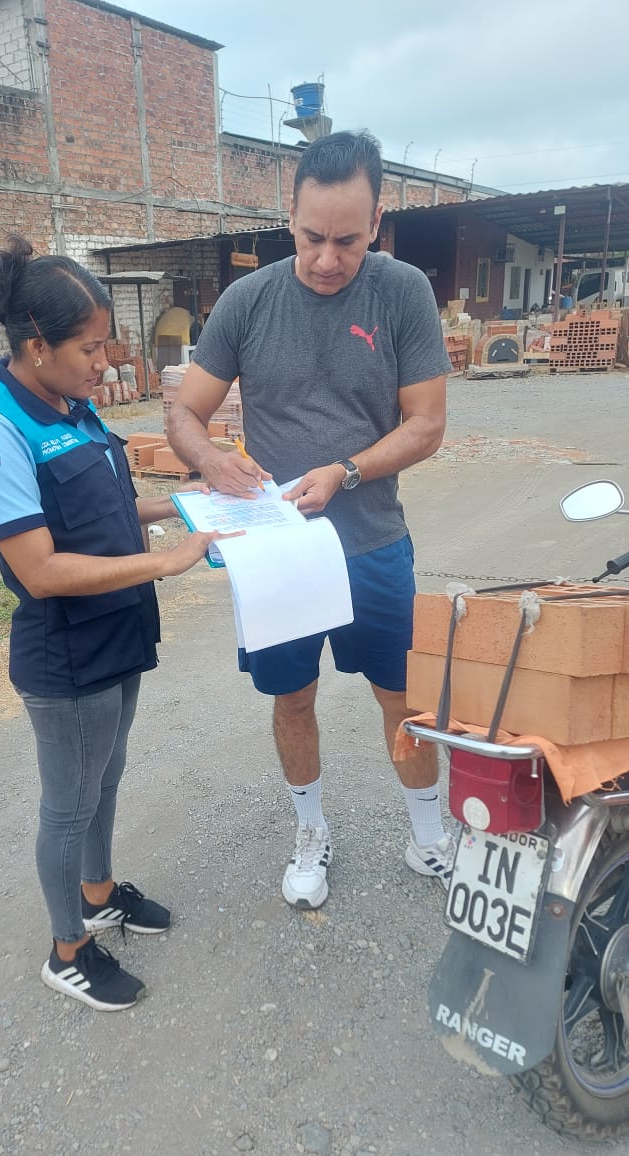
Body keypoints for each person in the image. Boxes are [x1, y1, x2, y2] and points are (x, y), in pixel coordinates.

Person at [167, 130, 453, 910]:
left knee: (401, 698)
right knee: (291, 697)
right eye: (310, 237)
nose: (327, 259)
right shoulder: (248, 301)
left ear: (377, 221)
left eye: (348, 241)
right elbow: (185, 413)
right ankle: (309, 830)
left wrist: (346, 470)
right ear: (287, 217)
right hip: (277, 554)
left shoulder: (401, 293)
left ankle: (428, 835)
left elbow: (426, 423)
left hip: (372, 544)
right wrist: (211, 459)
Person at [0, 235, 228, 1010]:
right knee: (68, 803)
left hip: (117, 629)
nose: (104, 362)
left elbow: (108, 507)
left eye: (105, 344)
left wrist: (188, 505)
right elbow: (40, 569)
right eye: (89, 347)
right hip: (66, 652)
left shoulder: (69, 407)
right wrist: (165, 564)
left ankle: (99, 893)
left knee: (106, 776)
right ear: (36, 345)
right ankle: (67, 948)